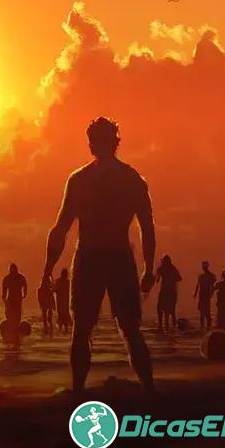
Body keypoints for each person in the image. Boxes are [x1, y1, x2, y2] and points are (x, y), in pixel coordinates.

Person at [43, 117, 155, 395]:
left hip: (98, 257)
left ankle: (81, 390)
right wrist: (149, 268)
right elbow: (147, 230)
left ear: (95, 143)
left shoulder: (85, 180)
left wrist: (47, 272)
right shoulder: (129, 179)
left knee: (89, 329)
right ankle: (147, 390)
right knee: (122, 328)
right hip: (108, 257)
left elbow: (61, 229)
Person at [154, 254, 182, 332]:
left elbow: (179, 278)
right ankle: (163, 325)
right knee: (164, 309)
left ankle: (167, 326)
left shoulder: (169, 268)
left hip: (169, 291)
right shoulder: (168, 268)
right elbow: (157, 280)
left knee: (168, 310)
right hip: (168, 291)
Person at [1, 263, 28, 328]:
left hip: (18, 296)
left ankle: (17, 324)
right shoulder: (7, 278)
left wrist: (25, 293)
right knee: (9, 311)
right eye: (11, 269)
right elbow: (4, 288)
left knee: (18, 311)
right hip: (11, 297)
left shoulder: (20, 277)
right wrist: (4, 297)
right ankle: (11, 323)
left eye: (13, 269)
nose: (13, 271)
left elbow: (25, 285)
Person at [193, 260, 216, 330]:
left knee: (206, 313)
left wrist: (210, 294)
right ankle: (203, 327)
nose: (203, 267)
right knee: (202, 313)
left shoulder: (211, 276)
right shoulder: (201, 276)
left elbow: (213, 287)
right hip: (202, 295)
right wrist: (195, 293)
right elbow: (198, 285)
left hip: (205, 295)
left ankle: (207, 327)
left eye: (204, 266)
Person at [54, 268, 72, 332]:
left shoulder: (58, 281)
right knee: (65, 314)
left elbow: (54, 290)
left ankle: (61, 329)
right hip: (66, 301)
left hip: (60, 301)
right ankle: (65, 328)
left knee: (61, 314)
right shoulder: (68, 282)